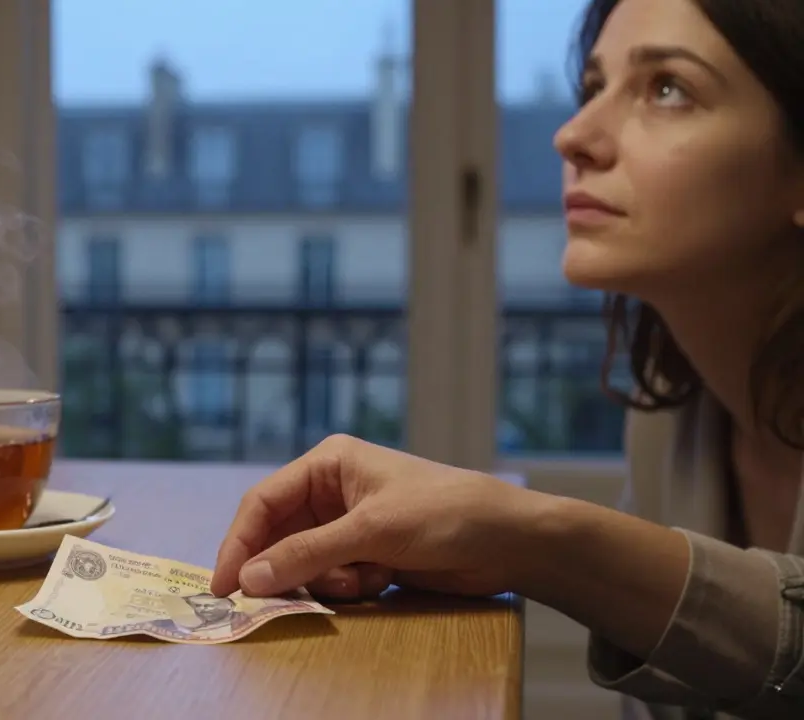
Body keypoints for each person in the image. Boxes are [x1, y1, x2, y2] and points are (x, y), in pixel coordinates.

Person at [210, 0, 804, 718]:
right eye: (593, 87)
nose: (573, 134)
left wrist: (535, 539)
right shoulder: (669, 417)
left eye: (667, 88)